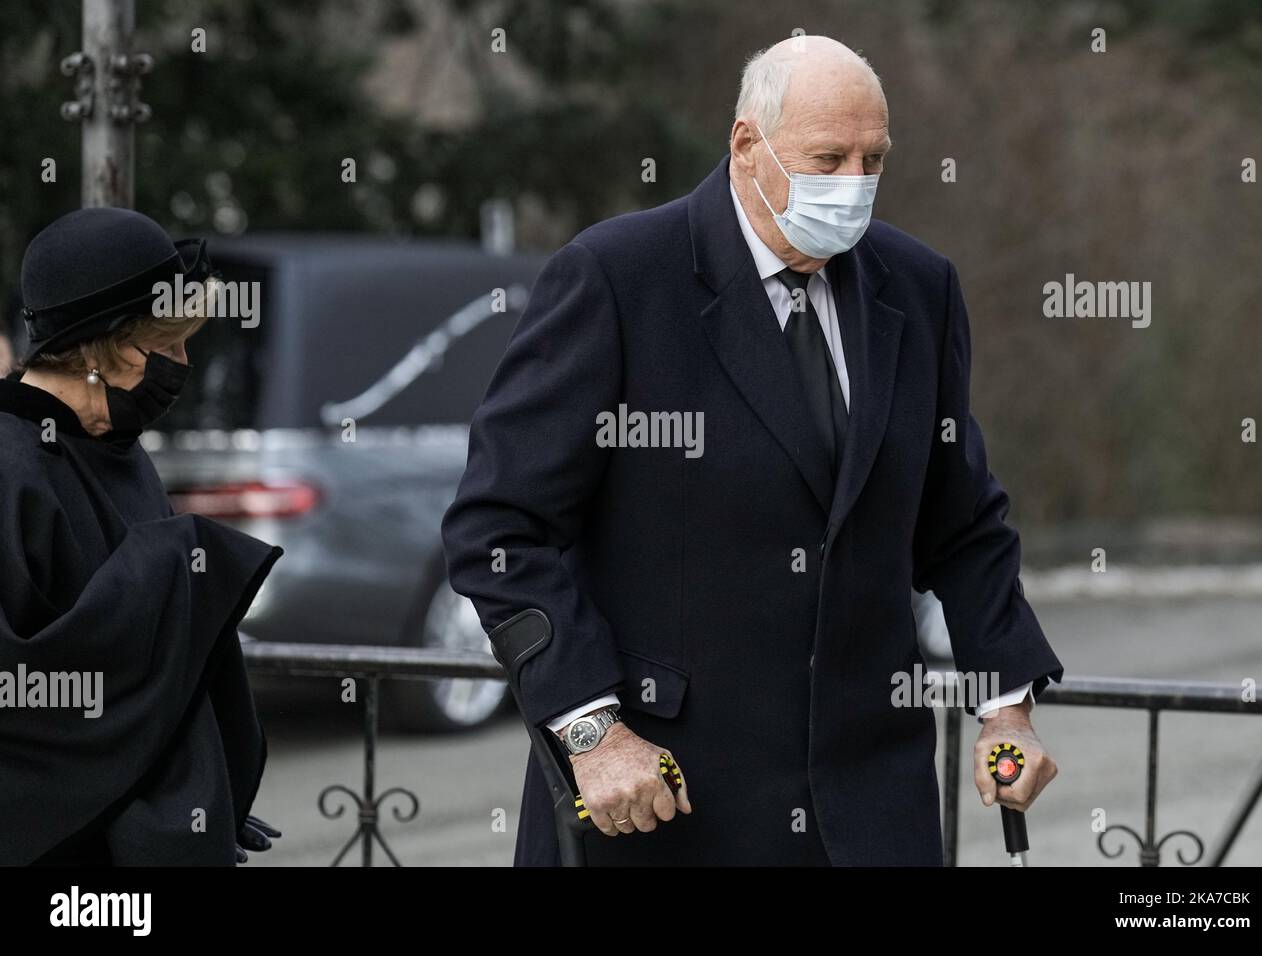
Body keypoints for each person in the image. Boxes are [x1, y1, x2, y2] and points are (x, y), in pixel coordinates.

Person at [442, 35, 1064, 866]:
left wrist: (1006, 707)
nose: (854, 186)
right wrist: (590, 732)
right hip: (660, 797)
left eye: (874, 159)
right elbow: (500, 529)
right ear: (746, 145)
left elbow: (962, 522)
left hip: (870, 804)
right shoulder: (618, 277)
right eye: (828, 158)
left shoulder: (918, 286)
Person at [0, 207, 281, 865]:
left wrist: (202, 786)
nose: (182, 365)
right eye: (172, 345)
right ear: (114, 348)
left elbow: (160, 673)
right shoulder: (11, 471)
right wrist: (181, 563)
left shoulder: (120, 449)